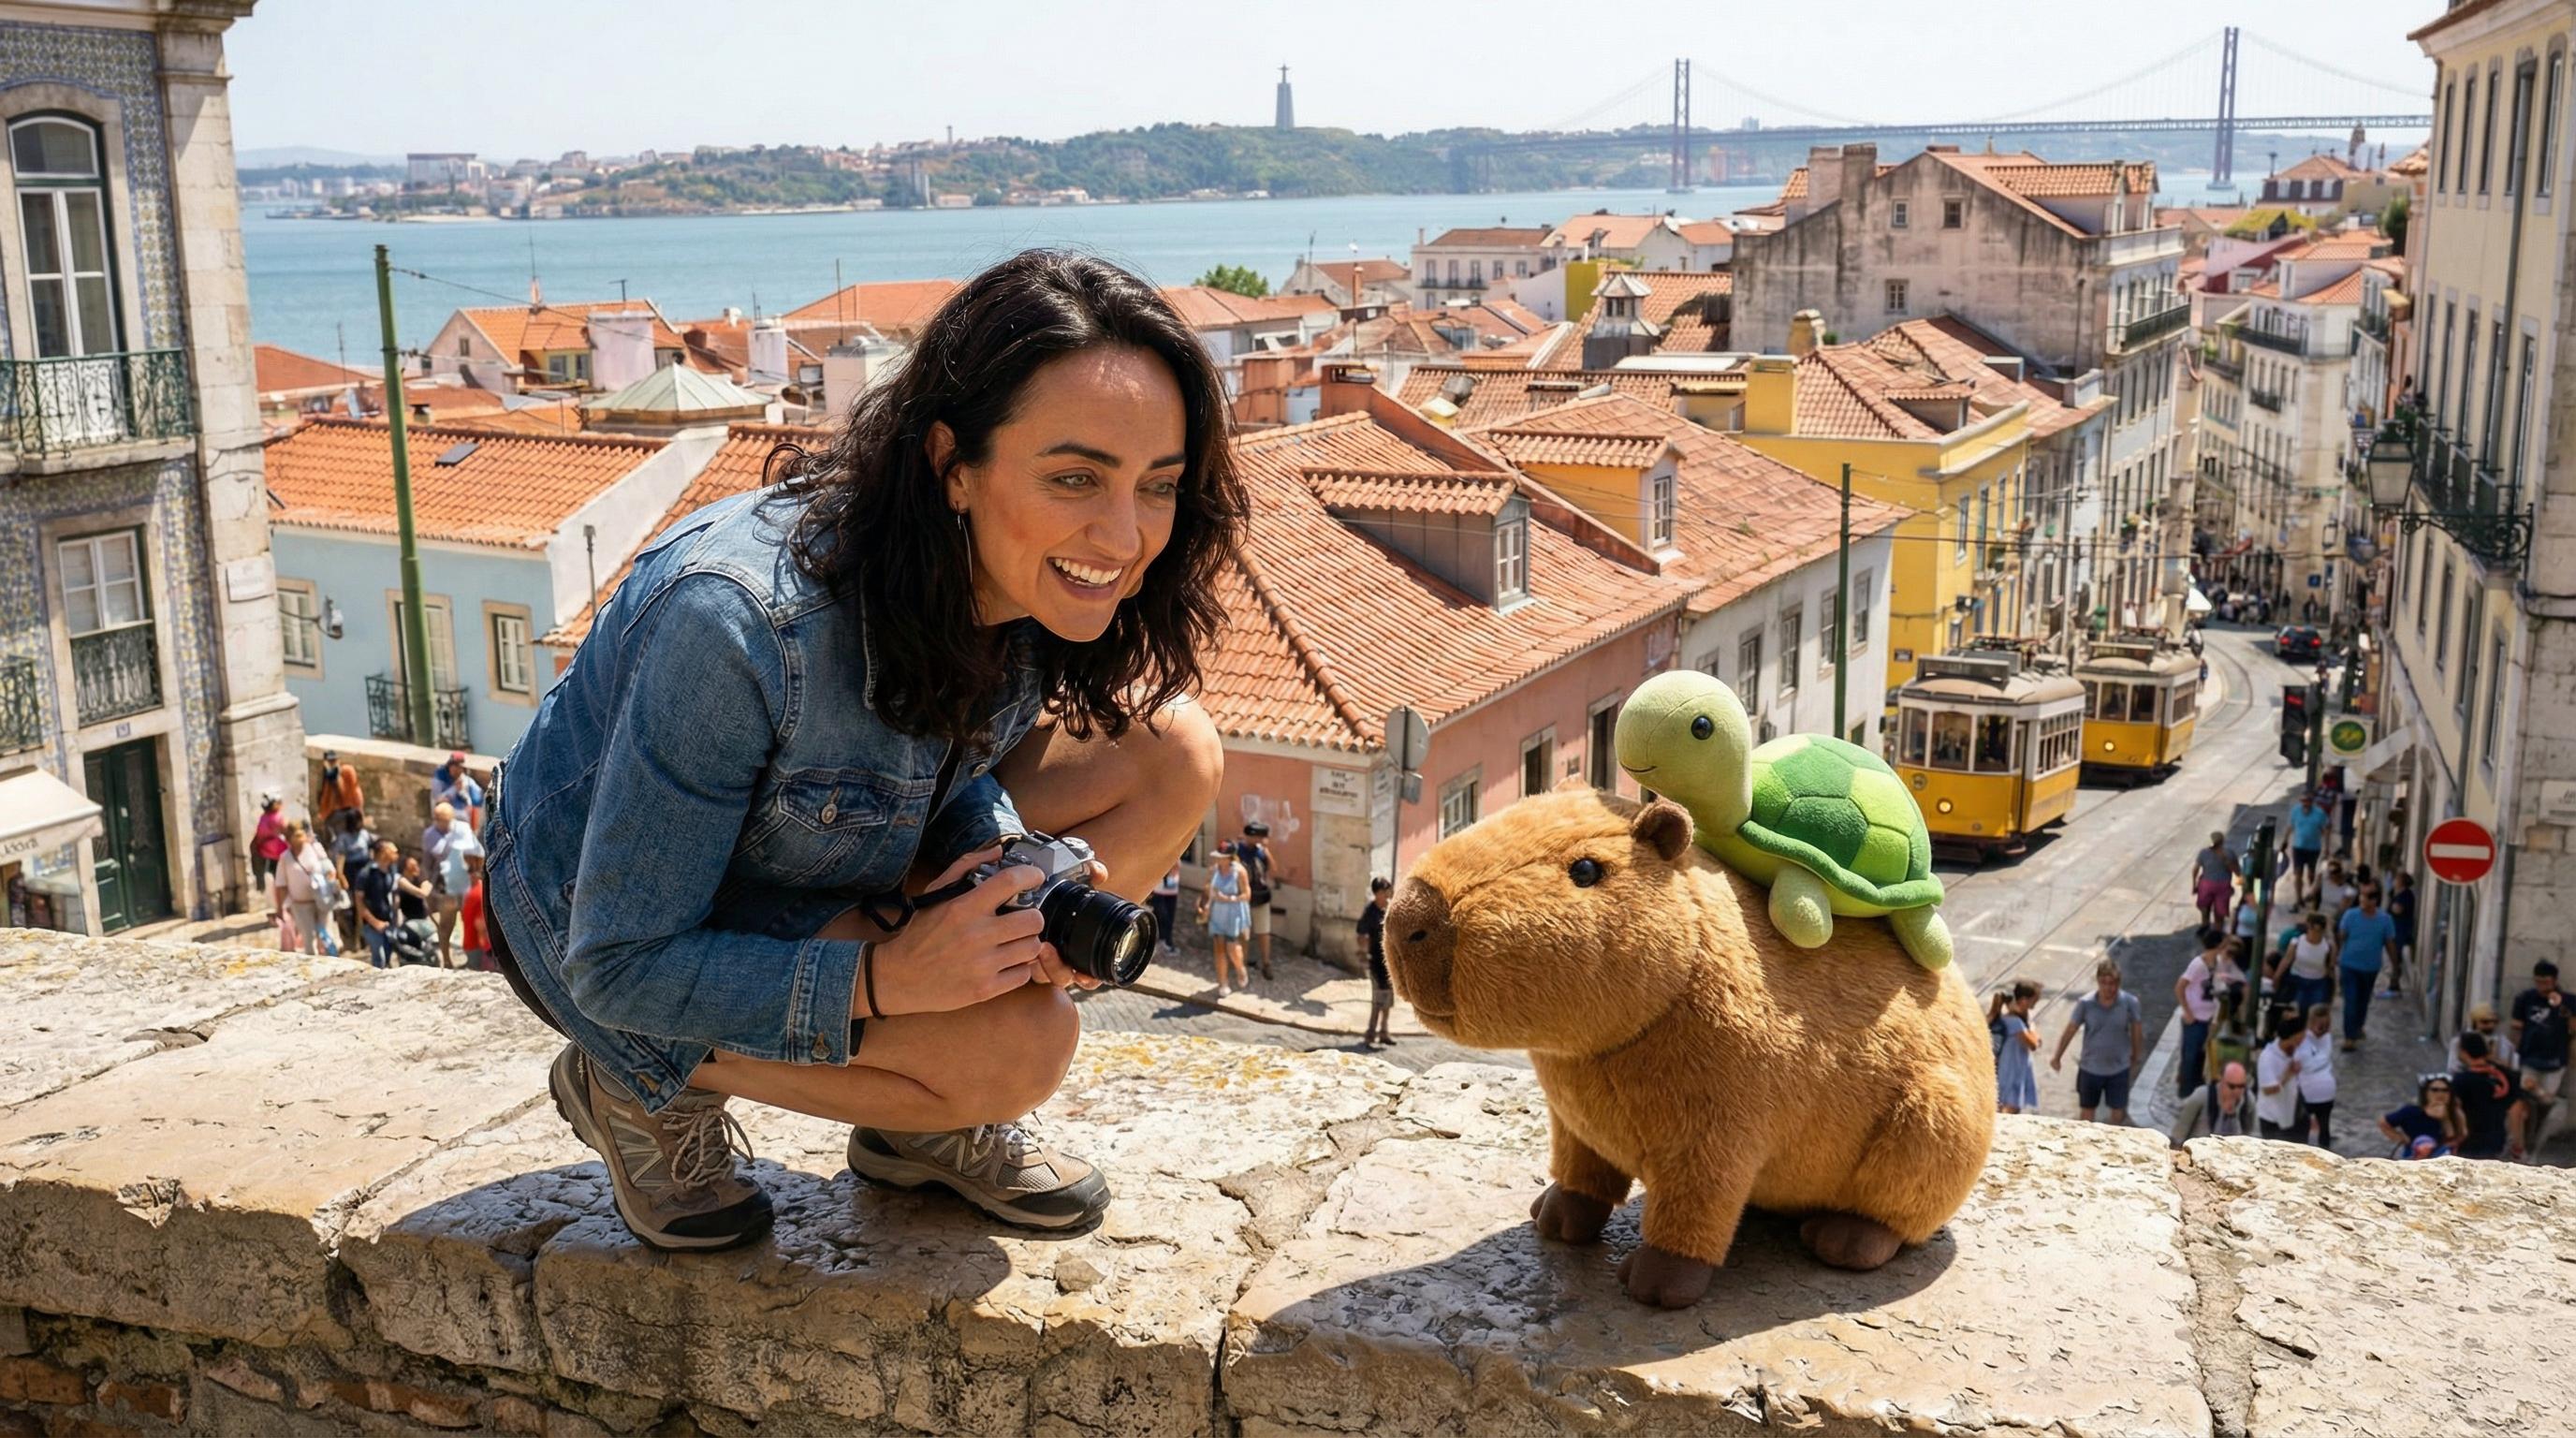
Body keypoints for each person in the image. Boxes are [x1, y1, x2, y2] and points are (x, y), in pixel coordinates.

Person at [477, 253, 1240, 1251]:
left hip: (822, 847)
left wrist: (1009, 864)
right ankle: (637, 1084)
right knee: (1021, 1047)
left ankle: (907, 1128)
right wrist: (888, 983)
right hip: (606, 934)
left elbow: (941, 766)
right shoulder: (737, 625)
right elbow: (617, 963)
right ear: (950, 465)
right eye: (1074, 478)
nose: (1124, 534)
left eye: (1159, 487)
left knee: (1171, 750)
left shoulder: (1020, 579)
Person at [2051, 959, 2144, 1124]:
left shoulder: (2130, 1003)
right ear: (2098, 982)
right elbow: (2071, 1029)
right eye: (2104, 983)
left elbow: (2136, 1029)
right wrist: (2057, 1056)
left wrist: (2136, 1055)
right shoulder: (2085, 1004)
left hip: (2119, 1069)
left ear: (2119, 983)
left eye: (2113, 983)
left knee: (2118, 1111)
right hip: (2090, 1069)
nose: (2109, 988)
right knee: (2087, 1111)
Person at [2509, 961, 2570, 1153]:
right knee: (2524, 1100)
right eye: (2538, 982)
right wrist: (2515, 1054)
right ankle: (2519, 1145)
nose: (2542, 986)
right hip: (2530, 1058)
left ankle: (2536, 1146)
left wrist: (2561, 1009)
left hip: (2555, 1061)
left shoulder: (2568, 1001)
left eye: (2546, 982)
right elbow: (2516, 1028)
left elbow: (2573, 1029)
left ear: (2554, 981)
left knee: (2547, 1103)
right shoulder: (2525, 999)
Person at [2174, 929, 2243, 1097]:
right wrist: (2188, 1012)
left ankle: (2196, 1088)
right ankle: (2186, 1092)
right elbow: (2180, 987)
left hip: (2208, 1018)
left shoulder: (2217, 962)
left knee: (2201, 1056)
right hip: (2195, 1019)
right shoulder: (2198, 964)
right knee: (2190, 1056)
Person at [2334, 885, 2398, 1050]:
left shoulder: (2385, 920)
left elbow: (2390, 943)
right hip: (2349, 965)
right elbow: (2341, 936)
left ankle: (2358, 1026)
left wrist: (2395, 965)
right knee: (2351, 1000)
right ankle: (2349, 1037)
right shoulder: (2350, 915)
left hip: (2370, 968)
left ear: (2375, 900)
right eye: (2362, 895)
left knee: (2363, 1000)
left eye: (2368, 896)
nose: (2363, 899)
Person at [2451, 1033, 2530, 1160]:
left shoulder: (2461, 1081)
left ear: (2464, 1053)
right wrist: (2518, 1145)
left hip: (2470, 1144)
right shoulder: (2508, 1075)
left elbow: (2455, 1111)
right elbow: (2517, 1110)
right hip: (2499, 1141)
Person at [424, 801, 480, 966]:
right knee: (446, 925)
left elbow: (474, 851)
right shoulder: (430, 835)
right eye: (439, 819)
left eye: (445, 819)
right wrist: (426, 884)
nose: (442, 822)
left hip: (465, 884)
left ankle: (473, 960)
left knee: (471, 922)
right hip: (445, 887)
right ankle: (447, 959)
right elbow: (428, 863)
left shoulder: (462, 829)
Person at [271, 819, 329, 956]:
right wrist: (280, 908)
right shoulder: (285, 858)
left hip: (321, 900)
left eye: (301, 835)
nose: (300, 839)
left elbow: (328, 868)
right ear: (289, 838)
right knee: (309, 938)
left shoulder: (315, 849)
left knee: (324, 936)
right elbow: (281, 885)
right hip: (300, 904)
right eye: (296, 836)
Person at [1199, 844, 1251, 992]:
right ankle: (1223, 983)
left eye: (1222, 857)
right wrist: (1207, 904)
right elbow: (1208, 890)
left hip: (1233, 913)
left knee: (1232, 947)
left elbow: (1247, 895)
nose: (1218, 860)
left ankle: (1240, 969)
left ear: (1229, 858)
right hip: (1217, 913)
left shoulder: (1239, 872)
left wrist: (1229, 898)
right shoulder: (1213, 870)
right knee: (1219, 949)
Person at [2169, 1061, 2256, 1148]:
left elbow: (2252, 1135)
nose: (2237, 1091)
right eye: (2232, 1086)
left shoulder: (2248, 1100)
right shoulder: (2201, 1096)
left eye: (2241, 1086)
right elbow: (2178, 1135)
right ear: (2221, 1081)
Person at [2378, 1075, 2466, 1158]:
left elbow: (2455, 1136)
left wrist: (2445, 1119)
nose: (2440, 1094)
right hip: (2413, 1155)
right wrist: (2401, 1138)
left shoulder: (2455, 1113)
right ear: (2426, 1092)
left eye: (2445, 1090)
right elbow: (2384, 1122)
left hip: (2443, 1155)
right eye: (2435, 1090)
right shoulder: (2412, 1111)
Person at [2269, 912, 2336, 1020]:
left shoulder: (2328, 946)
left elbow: (2330, 968)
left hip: (2318, 983)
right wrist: (2277, 976)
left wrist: (2332, 990)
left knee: (2315, 1012)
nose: (2313, 933)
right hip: (2298, 980)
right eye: (2311, 929)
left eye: (2317, 931)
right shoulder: (2297, 942)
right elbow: (2287, 960)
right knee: (2299, 1010)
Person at [1990, 979, 2042, 1114]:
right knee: (2009, 1107)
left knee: (2010, 1105)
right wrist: (2031, 1025)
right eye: (2034, 1000)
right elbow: (2033, 1043)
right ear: (2024, 1000)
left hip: (2015, 1068)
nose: (2035, 1004)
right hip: (2011, 1070)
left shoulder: (2015, 1019)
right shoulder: (2015, 1022)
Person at [2255, 1014, 2305, 1140]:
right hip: (2272, 1120)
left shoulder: (2293, 1051)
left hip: (2290, 1116)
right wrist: (2288, 1074)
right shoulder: (2267, 1057)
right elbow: (2269, 1090)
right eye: (2299, 1040)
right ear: (2292, 1038)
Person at [2293, 1004, 2337, 1147]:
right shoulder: (2327, 1038)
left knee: (2301, 1129)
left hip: (2307, 1091)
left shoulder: (2301, 1039)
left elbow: (2301, 1064)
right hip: (2326, 1091)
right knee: (2324, 1127)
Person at [1358, 876, 1395, 1048]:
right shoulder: (1370, 912)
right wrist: (1364, 953)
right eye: (1385, 891)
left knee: (1388, 1000)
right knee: (1377, 1000)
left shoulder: (1389, 910)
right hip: (1376, 962)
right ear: (1378, 893)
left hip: (1389, 963)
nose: (1388, 894)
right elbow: (1361, 934)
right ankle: (1370, 1035)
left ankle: (1384, 1032)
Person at [355, 839, 402, 969]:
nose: (396, 854)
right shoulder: (366, 874)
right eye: (392, 851)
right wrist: (374, 922)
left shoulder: (391, 871)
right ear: (382, 852)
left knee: (388, 955)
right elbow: (359, 901)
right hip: (372, 923)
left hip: (388, 920)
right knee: (378, 959)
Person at [1238, 820, 1276, 980]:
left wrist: (1267, 852)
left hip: (1261, 897)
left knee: (1264, 932)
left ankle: (1266, 963)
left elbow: (1273, 871)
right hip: (1243, 899)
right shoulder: (1238, 851)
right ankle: (1243, 964)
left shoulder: (1262, 852)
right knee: (1244, 934)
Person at [2189, 831, 2239, 932]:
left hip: (2206, 885)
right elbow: (2238, 872)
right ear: (2223, 841)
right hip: (2223, 886)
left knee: (2204, 909)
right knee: (2219, 914)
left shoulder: (2203, 853)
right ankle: (2217, 933)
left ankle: (2205, 927)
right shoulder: (2229, 853)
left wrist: (2194, 884)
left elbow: (2195, 869)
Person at [2448, 1004, 2520, 1073]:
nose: (2491, 1025)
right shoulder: (2459, 1042)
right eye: (2485, 1022)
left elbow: (2513, 1067)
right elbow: (2453, 1068)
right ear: (2474, 1023)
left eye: (2494, 1022)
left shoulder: (2505, 1044)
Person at [2286, 790, 2331, 899]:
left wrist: (2326, 847)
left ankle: (2313, 895)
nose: (2305, 804)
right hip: (2298, 847)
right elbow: (2291, 826)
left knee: (2311, 874)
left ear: (2312, 802)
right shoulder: (2295, 811)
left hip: (2313, 848)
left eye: (2308, 801)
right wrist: (2285, 840)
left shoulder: (2319, 814)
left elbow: (2326, 830)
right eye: (2303, 801)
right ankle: (2298, 898)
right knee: (2298, 873)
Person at [2383, 870, 2418, 995]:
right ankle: (2393, 984)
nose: (2394, 881)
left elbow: (2397, 910)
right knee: (2393, 958)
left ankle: (2394, 986)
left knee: (2395, 958)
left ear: (2401, 882)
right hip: (2395, 930)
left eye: (2396, 879)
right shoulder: (2398, 894)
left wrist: (2392, 907)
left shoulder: (2405, 895)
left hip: (2400, 931)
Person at [251, 794, 288, 904]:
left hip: (267, 854)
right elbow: (287, 832)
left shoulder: (263, 818)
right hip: (280, 854)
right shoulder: (278, 818)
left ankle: (279, 906)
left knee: (277, 881)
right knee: (283, 882)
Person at [433, 751, 485, 830]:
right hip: (445, 818)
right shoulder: (440, 778)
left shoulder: (465, 780)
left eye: (459, 767)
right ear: (449, 766)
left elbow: (478, 799)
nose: (457, 769)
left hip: (463, 819)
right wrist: (454, 789)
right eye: (454, 766)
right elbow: (438, 800)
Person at [317, 749, 364, 831]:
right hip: (335, 814)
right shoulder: (327, 774)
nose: (332, 762)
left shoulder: (347, 770)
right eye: (330, 760)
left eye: (334, 760)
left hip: (350, 812)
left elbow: (354, 791)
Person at [458, 851, 490, 972]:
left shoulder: (475, 892)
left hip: (474, 944)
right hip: (474, 944)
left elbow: (480, 925)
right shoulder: (476, 890)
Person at [1148, 863, 1181, 958]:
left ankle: (1166, 942)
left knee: (1168, 918)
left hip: (1170, 890)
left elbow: (1176, 868)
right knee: (1162, 917)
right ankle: (1164, 942)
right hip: (1160, 890)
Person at [2315, 860, 2355, 929]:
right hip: (2321, 913)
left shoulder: (2348, 889)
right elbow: (2311, 894)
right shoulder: (2324, 882)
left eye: (2335, 872)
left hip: (2336, 917)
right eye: (2329, 872)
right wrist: (2317, 881)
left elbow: (2342, 909)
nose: (2332, 875)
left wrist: (2330, 919)